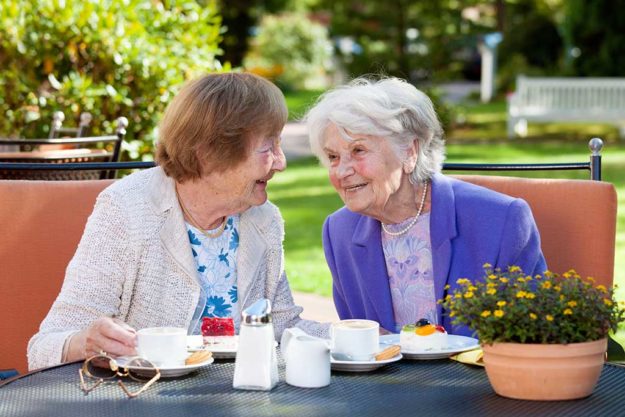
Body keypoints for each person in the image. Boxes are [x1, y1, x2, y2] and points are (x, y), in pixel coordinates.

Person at [28, 73, 328, 371]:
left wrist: (363, 340)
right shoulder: (127, 210)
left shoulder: (263, 219)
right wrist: (86, 342)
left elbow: (283, 326)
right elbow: (44, 347)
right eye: (268, 148)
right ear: (210, 153)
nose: (282, 162)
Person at [305, 76, 547, 336]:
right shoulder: (340, 231)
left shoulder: (501, 220)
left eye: (358, 150)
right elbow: (359, 339)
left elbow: (533, 334)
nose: (342, 171)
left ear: (409, 152)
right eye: (333, 156)